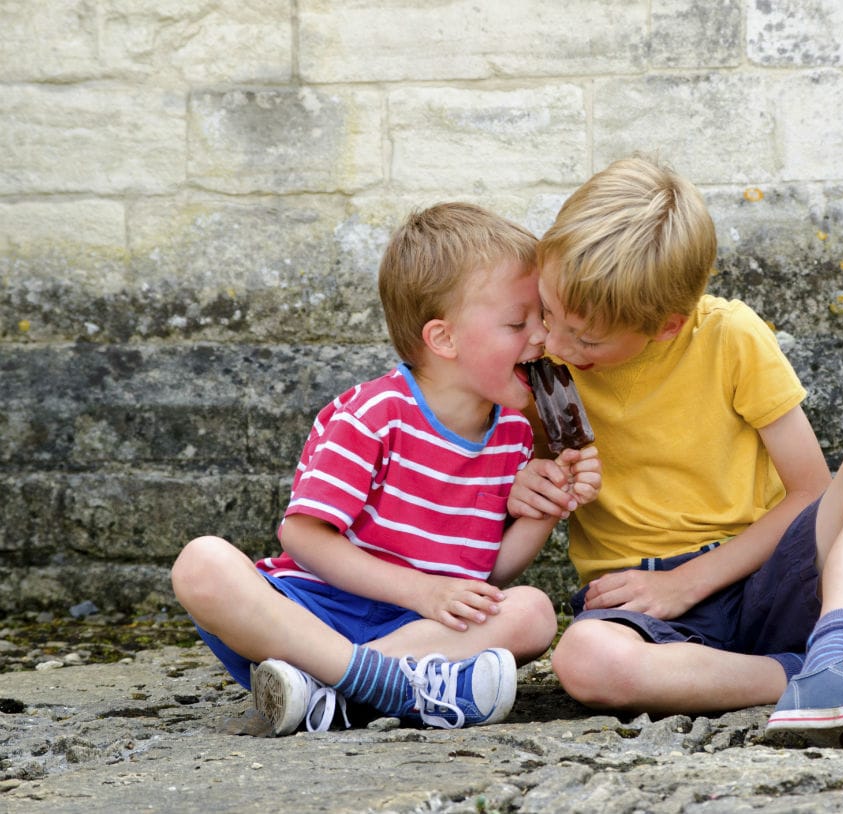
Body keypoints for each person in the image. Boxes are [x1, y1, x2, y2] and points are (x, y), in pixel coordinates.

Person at [508, 157, 843, 757]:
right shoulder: (537, 370)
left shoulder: (730, 337)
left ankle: (841, 642)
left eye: (585, 338)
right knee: (585, 661)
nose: (553, 343)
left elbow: (809, 491)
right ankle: (827, 670)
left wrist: (689, 582)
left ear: (666, 326)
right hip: (645, 608)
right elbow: (514, 483)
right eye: (547, 312)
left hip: (762, 571)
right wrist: (531, 481)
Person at [173, 203, 600, 736]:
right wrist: (422, 591)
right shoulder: (373, 417)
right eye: (518, 322)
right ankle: (387, 686)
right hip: (311, 615)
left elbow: (482, 579)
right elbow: (304, 538)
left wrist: (547, 506)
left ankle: (330, 695)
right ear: (442, 339)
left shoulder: (512, 434)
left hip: (417, 631)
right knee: (200, 563)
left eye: (542, 316)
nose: (541, 337)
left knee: (533, 612)